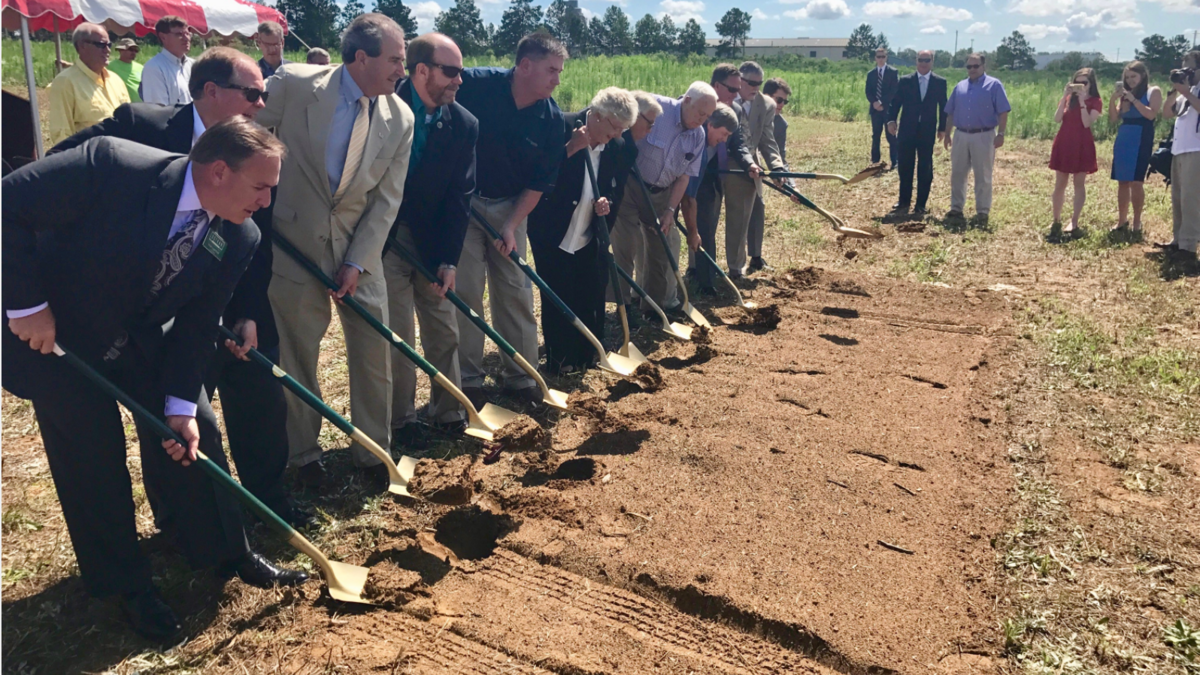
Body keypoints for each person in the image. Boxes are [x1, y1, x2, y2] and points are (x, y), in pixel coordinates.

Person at [2, 119, 308, 641]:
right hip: (56, 335)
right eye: (261, 187)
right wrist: (26, 303)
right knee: (91, 459)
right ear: (217, 172)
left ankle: (225, 551)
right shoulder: (111, 166)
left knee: (196, 434)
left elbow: (196, 324)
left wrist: (180, 407)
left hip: (140, 334)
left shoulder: (240, 234)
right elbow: (6, 204)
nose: (266, 201)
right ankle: (126, 587)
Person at [50, 47, 310, 527]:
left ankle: (270, 503)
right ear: (211, 91)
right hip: (147, 308)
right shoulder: (141, 126)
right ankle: (180, 517)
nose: (260, 103)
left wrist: (249, 310)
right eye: (252, 93)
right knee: (181, 414)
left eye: (264, 95)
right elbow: (60, 173)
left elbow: (258, 233)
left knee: (259, 393)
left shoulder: (258, 149)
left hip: (227, 289)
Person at [258, 14, 414, 488]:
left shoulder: (400, 118)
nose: (401, 70)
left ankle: (373, 452)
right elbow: (250, 144)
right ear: (360, 58)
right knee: (297, 352)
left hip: (357, 248)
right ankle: (304, 456)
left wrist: (357, 261)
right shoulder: (294, 85)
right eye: (394, 59)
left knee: (374, 349)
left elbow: (387, 200)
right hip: (292, 243)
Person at [453, 32, 567, 408]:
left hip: (512, 207)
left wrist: (511, 224)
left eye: (560, 71)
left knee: (516, 289)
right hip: (463, 204)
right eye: (551, 70)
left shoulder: (551, 120)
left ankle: (521, 376)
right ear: (524, 66)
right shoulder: (474, 85)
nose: (557, 79)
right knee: (466, 291)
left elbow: (539, 182)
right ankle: (468, 380)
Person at [384, 33, 477, 450]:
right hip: (384, 237)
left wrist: (448, 260)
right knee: (397, 334)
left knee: (443, 328)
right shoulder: (383, 107)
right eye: (451, 71)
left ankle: (450, 410)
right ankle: (401, 421)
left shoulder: (463, 125)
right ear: (422, 71)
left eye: (460, 71)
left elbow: (460, 196)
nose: (459, 80)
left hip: (432, 238)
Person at [528, 88, 638, 373]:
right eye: (615, 127)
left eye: (624, 130)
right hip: (552, 231)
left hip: (590, 233)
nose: (617, 135)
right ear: (597, 116)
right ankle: (560, 361)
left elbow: (617, 188)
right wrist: (570, 149)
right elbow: (535, 174)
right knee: (558, 295)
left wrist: (607, 203)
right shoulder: (560, 127)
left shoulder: (619, 147)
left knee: (590, 292)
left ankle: (587, 357)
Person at [612, 82, 714, 314]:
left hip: (661, 193)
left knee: (661, 247)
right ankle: (624, 307)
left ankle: (654, 307)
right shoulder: (654, 108)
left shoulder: (698, 136)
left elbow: (684, 177)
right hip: (630, 185)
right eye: (700, 112)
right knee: (625, 247)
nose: (703, 119)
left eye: (708, 115)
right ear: (687, 100)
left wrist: (670, 209)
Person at [728, 61, 785, 275]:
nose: (755, 88)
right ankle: (700, 268)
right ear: (739, 80)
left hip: (747, 165)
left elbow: (768, 141)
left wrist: (777, 167)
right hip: (718, 162)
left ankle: (737, 267)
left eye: (759, 84)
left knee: (742, 216)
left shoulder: (766, 105)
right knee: (708, 215)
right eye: (751, 83)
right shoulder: (724, 97)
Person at [679, 104, 740, 296]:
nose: (724, 140)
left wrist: (694, 231)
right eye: (723, 134)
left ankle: (706, 282)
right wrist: (692, 231)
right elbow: (688, 196)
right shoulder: (694, 142)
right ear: (710, 125)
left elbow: (689, 194)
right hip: (661, 189)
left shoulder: (703, 150)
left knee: (704, 228)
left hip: (688, 189)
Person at [944, 53, 1010, 223]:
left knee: (983, 175)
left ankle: (982, 211)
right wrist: (947, 133)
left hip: (984, 135)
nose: (972, 70)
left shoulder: (994, 85)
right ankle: (956, 209)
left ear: (983, 67)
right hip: (961, 135)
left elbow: (1003, 111)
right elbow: (950, 112)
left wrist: (1001, 133)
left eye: (975, 66)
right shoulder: (960, 86)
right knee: (958, 174)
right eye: (969, 66)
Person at [886, 49, 947, 217]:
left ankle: (921, 204)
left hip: (927, 131)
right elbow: (895, 102)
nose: (923, 63)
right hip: (907, 129)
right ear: (916, 61)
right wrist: (891, 120)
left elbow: (943, 107)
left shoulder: (940, 82)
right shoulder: (905, 81)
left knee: (925, 167)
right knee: (905, 165)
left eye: (927, 60)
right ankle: (904, 201)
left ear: (932, 62)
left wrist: (942, 128)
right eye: (921, 59)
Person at [48, 24, 130, 145]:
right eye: (101, 45)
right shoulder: (65, 82)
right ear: (82, 46)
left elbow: (129, 122)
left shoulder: (116, 80)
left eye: (109, 45)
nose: (107, 50)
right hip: (89, 159)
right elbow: (61, 133)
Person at [1048, 68, 1102, 239]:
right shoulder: (1068, 99)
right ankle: (1056, 219)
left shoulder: (1095, 101)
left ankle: (1074, 221)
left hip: (1082, 143)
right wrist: (1065, 96)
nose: (1080, 86)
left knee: (1079, 183)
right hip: (1064, 141)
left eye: (1084, 83)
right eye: (1076, 82)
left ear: (1090, 84)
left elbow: (1087, 123)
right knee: (1060, 184)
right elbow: (1057, 119)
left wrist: (1082, 102)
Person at [1108, 61, 1162, 233]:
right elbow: (1114, 119)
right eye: (1127, 77)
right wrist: (1113, 100)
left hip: (1142, 135)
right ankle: (1122, 220)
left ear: (1143, 75)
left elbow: (1151, 114)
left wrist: (1134, 100)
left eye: (1134, 76)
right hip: (1125, 134)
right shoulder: (1125, 94)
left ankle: (1137, 221)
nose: (1130, 80)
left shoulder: (1153, 91)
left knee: (1136, 182)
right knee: (1122, 180)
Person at [1162, 50, 1200, 262]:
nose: (1186, 71)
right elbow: (1168, 113)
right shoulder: (1189, 90)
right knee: (1177, 198)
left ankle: (1189, 246)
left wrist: (1186, 92)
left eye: (1190, 67)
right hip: (1179, 149)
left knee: (1191, 199)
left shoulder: (1194, 92)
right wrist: (1174, 92)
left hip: (1196, 150)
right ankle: (1178, 240)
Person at [141, 16, 194, 106]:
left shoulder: (194, 65)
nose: (186, 38)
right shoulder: (154, 68)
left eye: (188, 33)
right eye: (179, 34)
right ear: (163, 37)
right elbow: (157, 112)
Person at [866, 47, 899, 168]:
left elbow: (894, 91)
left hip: (889, 110)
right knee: (876, 135)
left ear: (886, 57)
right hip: (875, 110)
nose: (880, 59)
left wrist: (881, 102)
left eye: (883, 57)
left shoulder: (893, 72)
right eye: (878, 57)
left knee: (891, 135)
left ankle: (895, 161)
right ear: (875, 58)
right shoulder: (871, 74)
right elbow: (868, 91)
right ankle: (875, 160)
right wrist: (874, 102)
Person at [764, 78, 792, 171]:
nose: (782, 104)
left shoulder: (781, 125)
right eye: (779, 100)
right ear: (766, 96)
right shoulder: (749, 114)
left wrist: (790, 183)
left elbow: (781, 158)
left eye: (785, 101)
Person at [110, 38, 143, 103]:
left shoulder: (141, 67)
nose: (133, 52)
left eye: (135, 50)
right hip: (123, 106)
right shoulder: (110, 66)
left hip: (142, 106)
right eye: (131, 49)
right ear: (121, 50)